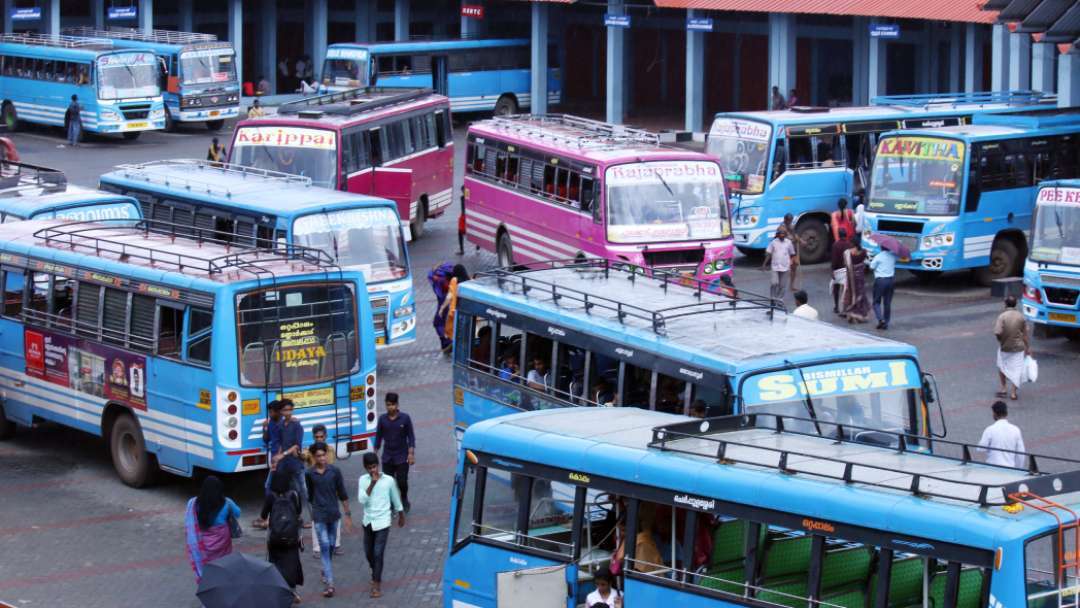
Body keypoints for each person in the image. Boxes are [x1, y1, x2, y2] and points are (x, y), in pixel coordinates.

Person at [306, 442, 352, 598]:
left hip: (334, 515)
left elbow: (343, 493)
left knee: (331, 545)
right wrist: (314, 510)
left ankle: (325, 570)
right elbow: (310, 495)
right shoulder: (309, 474)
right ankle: (330, 583)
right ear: (314, 457)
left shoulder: (335, 471)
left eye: (323, 455)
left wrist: (347, 514)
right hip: (319, 516)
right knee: (325, 546)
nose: (322, 458)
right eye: (318, 456)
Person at [357, 452, 405, 599]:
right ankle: (375, 571)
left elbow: (395, 497)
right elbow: (362, 500)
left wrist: (401, 513)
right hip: (368, 521)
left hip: (383, 522)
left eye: (374, 466)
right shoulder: (363, 480)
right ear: (365, 468)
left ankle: (376, 585)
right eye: (370, 468)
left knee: (378, 553)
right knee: (369, 553)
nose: (373, 470)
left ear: (378, 465)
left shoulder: (388, 480)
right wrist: (372, 483)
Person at [184, 476, 240, 582]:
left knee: (208, 563)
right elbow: (238, 513)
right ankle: (222, 581)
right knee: (223, 562)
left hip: (203, 541)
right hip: (222, 541)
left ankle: (209, 581)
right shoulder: (227, 502)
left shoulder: (194, 503)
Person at [261, 470, 304, 603]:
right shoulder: (294, 495)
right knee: (292, 563)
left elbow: (263, 515)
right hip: (292, 538)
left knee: (275, 564)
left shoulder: (270, 496)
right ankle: (293, 591)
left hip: (275, 538)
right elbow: (299, 511)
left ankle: (278, 592)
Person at [303, 425, 342, 557]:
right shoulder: (309, 451)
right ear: (313, 437)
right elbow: (304, 458)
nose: (319, 439)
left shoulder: (330, 450)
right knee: (317, 520)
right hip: (316, 491)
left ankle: (336, 545)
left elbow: (330, 467)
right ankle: (317, 548)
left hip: (330, 489)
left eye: (321, 437)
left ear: (325, 436)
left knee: (336, 517)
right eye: (316, 437)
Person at [374, 392, 415, 513]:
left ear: (397, 405)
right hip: (387, 457)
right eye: (388, 405)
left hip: (402, 456)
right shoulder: (382, 419)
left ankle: (404, 498)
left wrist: (411, 453)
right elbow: (378, 437)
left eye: (392, 405)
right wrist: (374, 453)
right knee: (388, 482)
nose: (390, 407)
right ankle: (391, 503)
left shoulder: (405, 418)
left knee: (402, 481)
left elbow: (411, 436)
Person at [275, 399, 308, 527]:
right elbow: (281, 444)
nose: (287, 412)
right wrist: (277, 457)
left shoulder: (297, 426)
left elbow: (296, 446)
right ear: (281, 411)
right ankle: (297, 518)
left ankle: (313, 517)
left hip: (295, 462)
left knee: (303, 490)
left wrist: (281, 455)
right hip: (285, 463)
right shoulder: (281, 425)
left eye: (290, 409)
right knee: (292, 491)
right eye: (285, 410)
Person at [253, 400, 285, 529]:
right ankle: (267, 517)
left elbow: (285, 442)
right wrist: (264, 428)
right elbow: (266, 439)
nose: (270, 414)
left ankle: (268, 518)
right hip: (274, 459)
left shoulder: (283, 424)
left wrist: (278, 458)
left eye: (272, 412)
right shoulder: (271, 422)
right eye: (269, 412)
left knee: (270, 489)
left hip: (280, 461)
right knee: (276, 489)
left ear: (278, 412)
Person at [994, 295, 1030, 400]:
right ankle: (1013, 393)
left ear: (1005, 304)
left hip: (1005, 347)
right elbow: (1025, 334)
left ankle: (1004, 388)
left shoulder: (1002, 316)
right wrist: (1028, 348)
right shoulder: (1021, 317)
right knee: (1017, 369)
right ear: (1016, 304)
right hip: (1018, 347)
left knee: (1001, 366)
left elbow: (997, 332)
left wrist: (1001, 339)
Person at [977, 401, 1026, 468]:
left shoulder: (990, 429)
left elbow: (981, 449)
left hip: (992, 468)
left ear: (994, 414)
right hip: (1009, 469)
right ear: (1006, 413)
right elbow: (1021, 454)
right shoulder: (1016, 430)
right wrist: (1018, 469)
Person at [439, 264, 470, 354]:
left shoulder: (454, 280)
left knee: (454, 333)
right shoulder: (469, 281)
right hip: (467, 312)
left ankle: (454, 349)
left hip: (455, 313)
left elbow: (450, 296)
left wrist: (442, 307)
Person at [762, 228, 796, 303]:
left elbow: (792, 253)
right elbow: (769, 254)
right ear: (777, 235)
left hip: (785, 267)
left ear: (785, 235)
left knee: (782, 286)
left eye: (783, 234)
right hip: (775, 267)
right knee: (774, 283)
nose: (782, 235)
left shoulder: (789, 242)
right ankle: (772, 298)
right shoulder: (773, 242)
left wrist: (792, 262)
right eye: (780, 234)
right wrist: (764, 264)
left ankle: (779, 300)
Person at [842, 236, 871, 323]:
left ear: (853, 243)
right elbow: (867, 262)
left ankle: (853, 313)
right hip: (861, 277)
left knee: (853, 293)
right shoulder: (864, 251)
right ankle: (861, 313)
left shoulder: (848, 253)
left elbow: (845, 264)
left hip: (852, 277)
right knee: (861, 293)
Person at [870, 248, 896, 330]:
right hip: (890, 280)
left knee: (876, 302)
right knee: (887, 303)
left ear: (881, 247)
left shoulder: (878, 256)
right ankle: (886, 322)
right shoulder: (893, 255)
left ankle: (880, 319)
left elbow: (871, 266)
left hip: (880, 281)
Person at [830, 228, 853, 314]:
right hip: (847, 269)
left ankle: (836, 306)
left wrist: (832, 270)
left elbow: (834, 259)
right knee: (845, 290)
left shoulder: (836, 245)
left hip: (838, 270)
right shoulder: (850, 245)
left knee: (836, 288)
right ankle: (845, 308)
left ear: (839, 235)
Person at [782, 213, 801, 290]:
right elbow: (786, 238)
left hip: (793, 251)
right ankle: (781, 285)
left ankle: (791, 285)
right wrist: (791, 238)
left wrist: (801, 241)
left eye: (791, 221)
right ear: (785, 220)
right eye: (789, 221)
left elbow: (795, 236)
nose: (790, 222)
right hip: (785, 252)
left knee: (794, 268)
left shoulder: (791, 227)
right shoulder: (781, 228)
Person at [457, 186, 467, 255]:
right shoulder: (462, 198)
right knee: (460, 232)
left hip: (465, 217)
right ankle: (461, 249)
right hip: (464, 217)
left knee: (460, 232)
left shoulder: (463, 198)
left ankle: (461, 250)